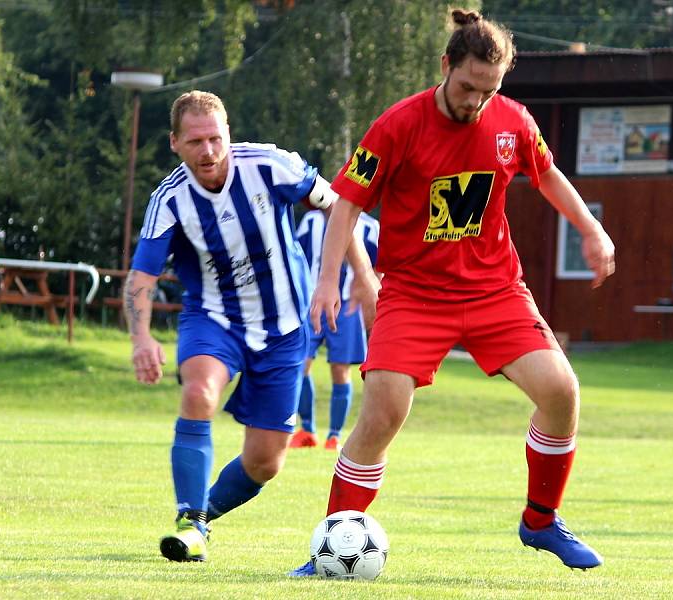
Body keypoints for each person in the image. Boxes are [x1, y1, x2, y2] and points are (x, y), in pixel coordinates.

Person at [290, 8, 616, 576]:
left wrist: (591, 228)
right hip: (414, 295)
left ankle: (540, 521)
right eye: (467, 87)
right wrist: (327, 280)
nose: (475, 102)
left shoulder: (512, 121)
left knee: (561, 391)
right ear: (446, 66)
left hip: (495, 291)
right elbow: (346, 201)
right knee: (383, 413)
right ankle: (328, 550)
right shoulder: (398, 124)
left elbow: (545, 175)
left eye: (489, 91)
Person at [124, 90, 378, 563]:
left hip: (285, 328)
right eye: (195, 141)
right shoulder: (169, 201)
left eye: (215, 138)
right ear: (175, 143)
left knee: (265, 462)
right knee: (198, 392)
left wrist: (361, 276)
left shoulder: (270, 166)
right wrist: (141, 338)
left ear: (228, 135)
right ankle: (189, 520)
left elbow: (337, 204)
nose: (208, 151)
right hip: (214, 320)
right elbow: (141, 277)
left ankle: (203, 516)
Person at [289, 210, 379, 451]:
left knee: (340, 371)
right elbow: (296, 255)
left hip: (347, 307)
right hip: (311, 304)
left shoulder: (370, 227)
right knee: (300, 364)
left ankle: (334, 436)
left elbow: (378, 269)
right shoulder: (312, 220)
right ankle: (307, 429)